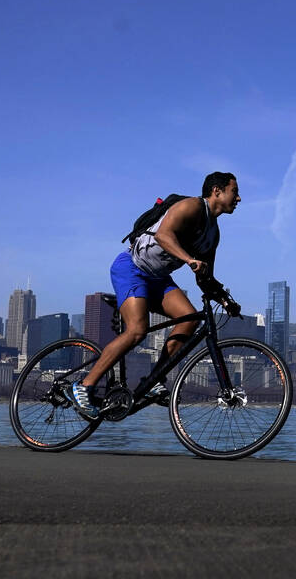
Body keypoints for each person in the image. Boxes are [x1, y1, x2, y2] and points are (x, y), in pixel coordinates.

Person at [66, 172, 241, 417]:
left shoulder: (214, 234)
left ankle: (154, 380)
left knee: (190, 319)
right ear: (217, 191)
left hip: (158, 279)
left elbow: (205, 277)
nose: (239, 198)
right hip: (132, 268)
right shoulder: (191, 206)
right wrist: (189, 259)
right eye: (235, 191)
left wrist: (224, 298)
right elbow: (163, 235)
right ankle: (83, 386)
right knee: (137, 330)